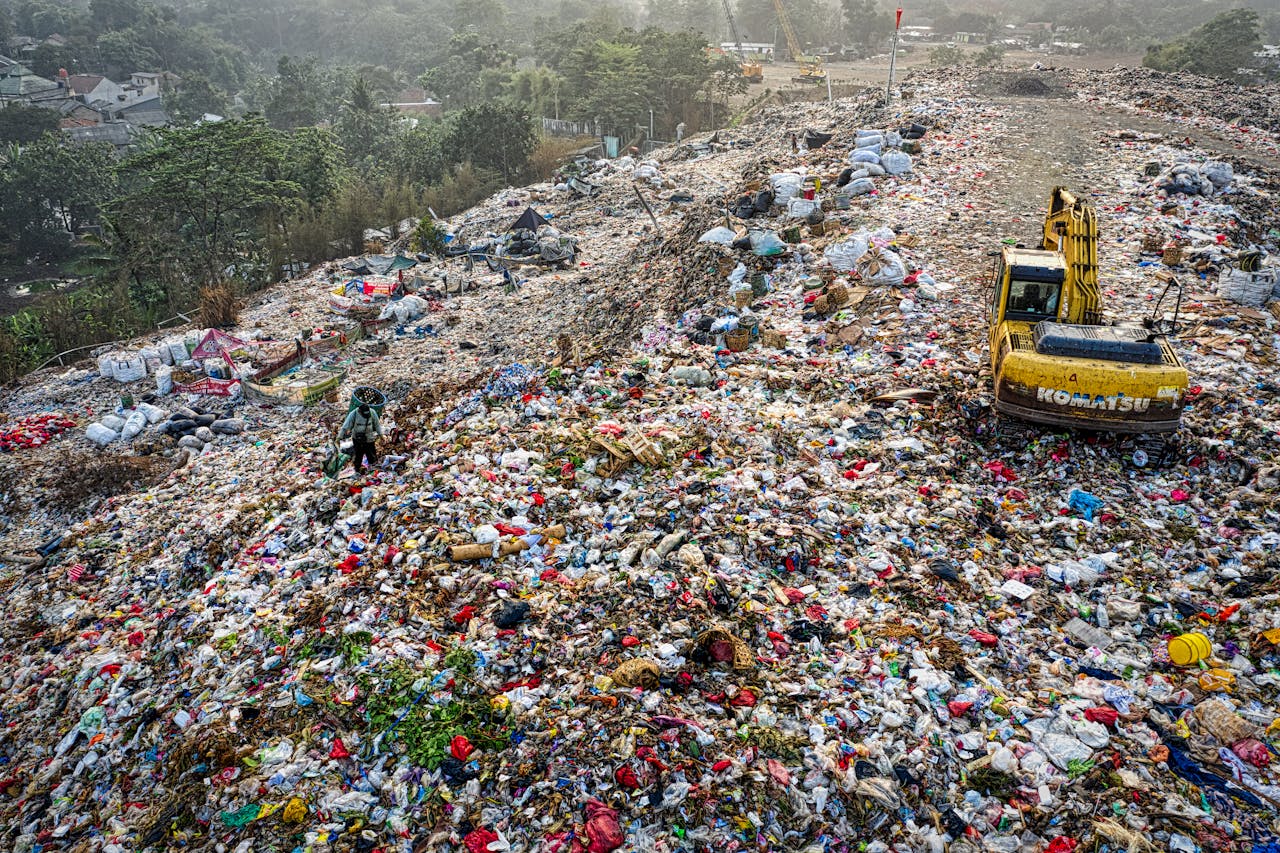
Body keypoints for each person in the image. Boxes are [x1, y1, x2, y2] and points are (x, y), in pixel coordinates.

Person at [340, 402, 384, 474]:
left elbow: (377, 425)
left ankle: (373, 470)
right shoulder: (353, 414)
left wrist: (381, 435)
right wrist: (339, 437)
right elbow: (345, 426)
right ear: (360, 411)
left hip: (369, 437)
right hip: (357, 438)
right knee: (358, 455)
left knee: (371, 455)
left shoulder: (372, 412)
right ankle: (357, 470)